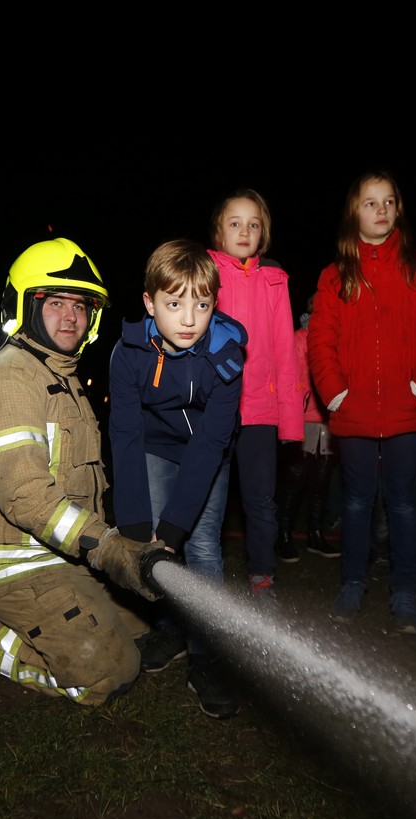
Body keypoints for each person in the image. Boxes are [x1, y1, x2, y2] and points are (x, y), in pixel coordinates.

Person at [0, 238, 167, 707]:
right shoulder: (9, 380)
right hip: (16, 564)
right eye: (55, 302)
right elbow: (28, 498)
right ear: (24, 306)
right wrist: (109, 549)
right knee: (110, 673)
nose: (71, 317)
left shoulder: (60, 378)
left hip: (62, 556)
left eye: (80, 305)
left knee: (143, 632)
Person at [308, 170, 416, 631]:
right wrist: (334, 392)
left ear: (398, 209)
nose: (381, 210)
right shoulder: (335, 275)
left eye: (388, 201)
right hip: (352, 410)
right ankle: (353, 583)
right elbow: (320, 339)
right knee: (355, 502)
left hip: (406, 408)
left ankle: (406, 590)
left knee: (404, 502)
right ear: (354, 212)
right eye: (370, 202)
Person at [108, 239, 248, 719]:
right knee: (151, 540)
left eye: (202, 305)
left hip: (208, 452)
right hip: (153, 447)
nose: (189, 319)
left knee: (202, 544)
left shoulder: (227, 355)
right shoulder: (127, 353)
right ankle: (169, 628)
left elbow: (211, 444)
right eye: (174, 304)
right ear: (149, 303)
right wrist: (135, 524)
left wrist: (175, 526)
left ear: (214, 304)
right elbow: (125, 435)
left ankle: (206, 656)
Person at [208, 188, 304, 599]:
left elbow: (285, 351)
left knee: (261, 501)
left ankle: (262, 577)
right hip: (213, 407)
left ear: (263, 233)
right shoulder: (204, 273)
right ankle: (202, 577)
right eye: (235, 223)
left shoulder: (275, 281)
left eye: (254, 224)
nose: (245, 232)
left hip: (261, 411)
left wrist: (291, 421)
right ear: (219, 231)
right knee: (207, 501)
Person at [275, 297, 340, 563]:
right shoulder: (299, 339)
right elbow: (293, 379)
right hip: (303, 420)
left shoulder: (335, 340)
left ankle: (315, 535)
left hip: (329, 421)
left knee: (321, 481)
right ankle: (284, 536)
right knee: (295, 481)